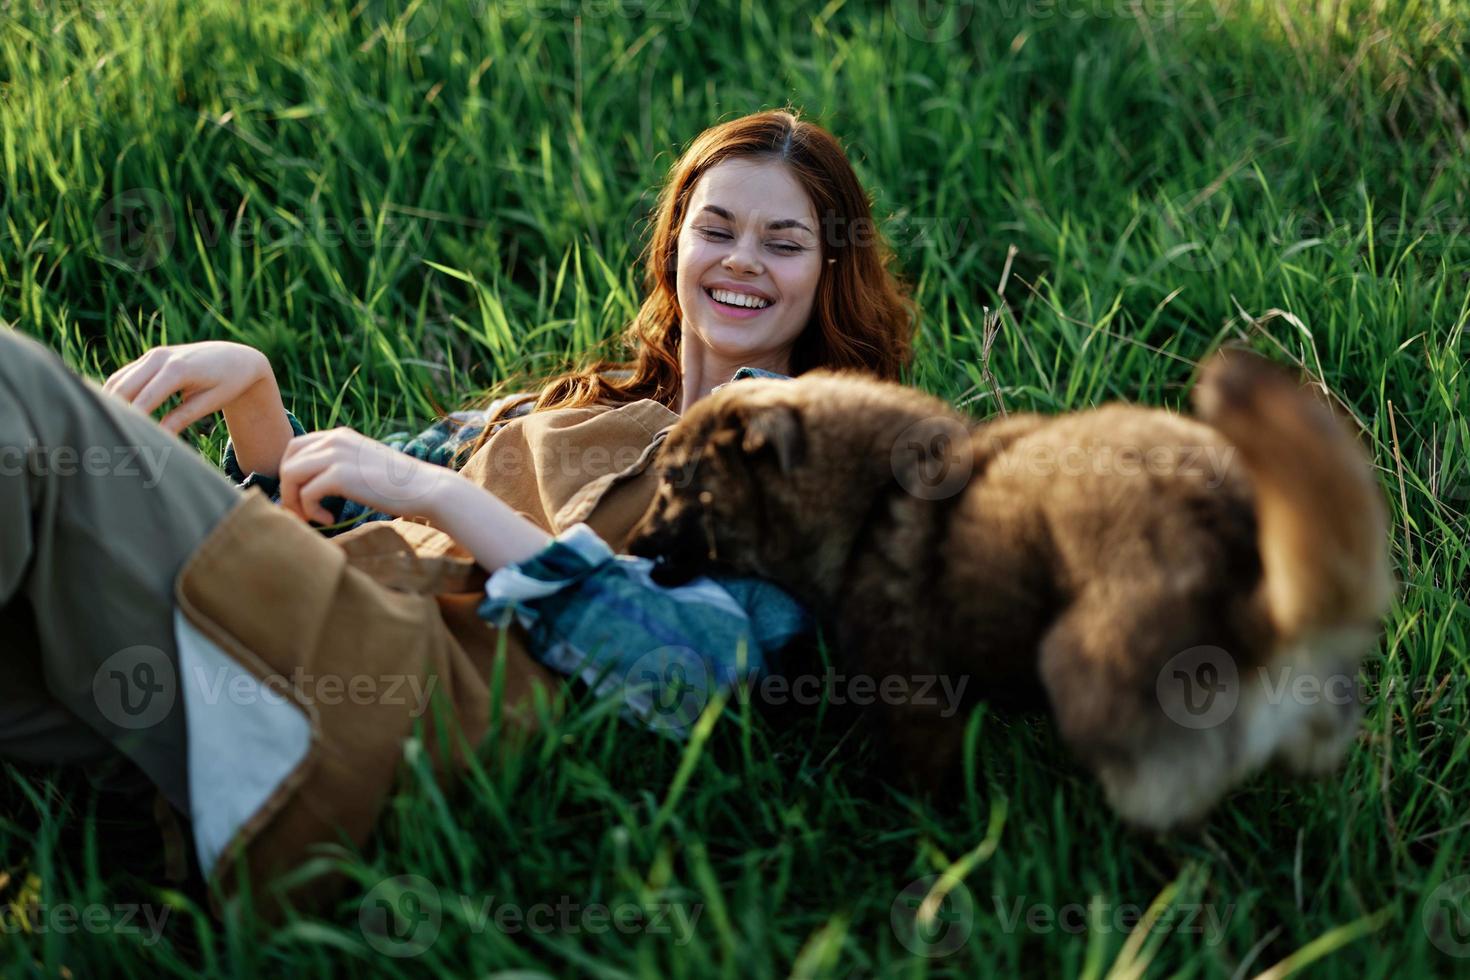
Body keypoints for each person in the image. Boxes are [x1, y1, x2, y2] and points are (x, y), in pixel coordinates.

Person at [0, 108, 916, 917]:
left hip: (395, 698)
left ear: (832, 270)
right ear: (675, 243)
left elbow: (688, 672)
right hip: (289, 622)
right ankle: (150, 805)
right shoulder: (568, 407)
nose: (742, 259)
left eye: (784, 242)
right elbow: (329, 489)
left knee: (18, 388)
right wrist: (254, 391)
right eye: (714, 228)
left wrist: (442, 494)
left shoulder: (807, 471)